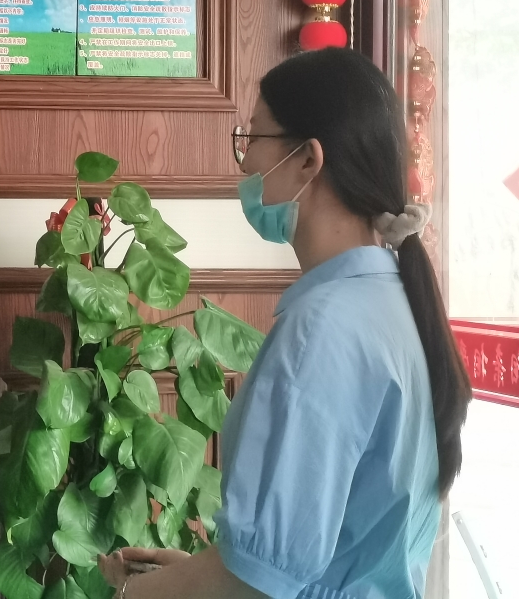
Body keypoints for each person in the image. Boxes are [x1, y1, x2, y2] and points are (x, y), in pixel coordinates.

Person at [98, 47, 471, 598]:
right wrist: (189, 573)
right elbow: (306, 562)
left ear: (307, 160)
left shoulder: (322, 330)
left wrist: (135, 594)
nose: (244, 163)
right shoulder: (388, 298)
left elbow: (255, 586)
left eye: (252, 137)